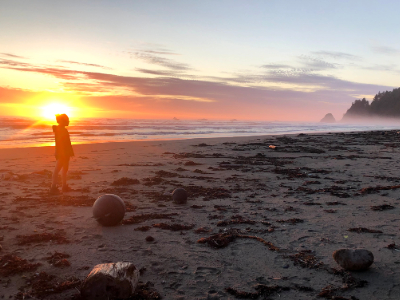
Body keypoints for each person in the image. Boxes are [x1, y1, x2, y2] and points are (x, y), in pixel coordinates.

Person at [49, 114, 74, 194]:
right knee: (57, 170)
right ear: (63, 121)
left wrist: (69, 152)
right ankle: (53, 187)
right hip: (62, 153)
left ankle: (64, 186)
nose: (68, 121)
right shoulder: (60, 130)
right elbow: (60, 143)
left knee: (65, 169)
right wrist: (60, 152)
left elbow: (66, 143)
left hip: (65, 152)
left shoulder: (62, 129)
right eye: (67, 120)